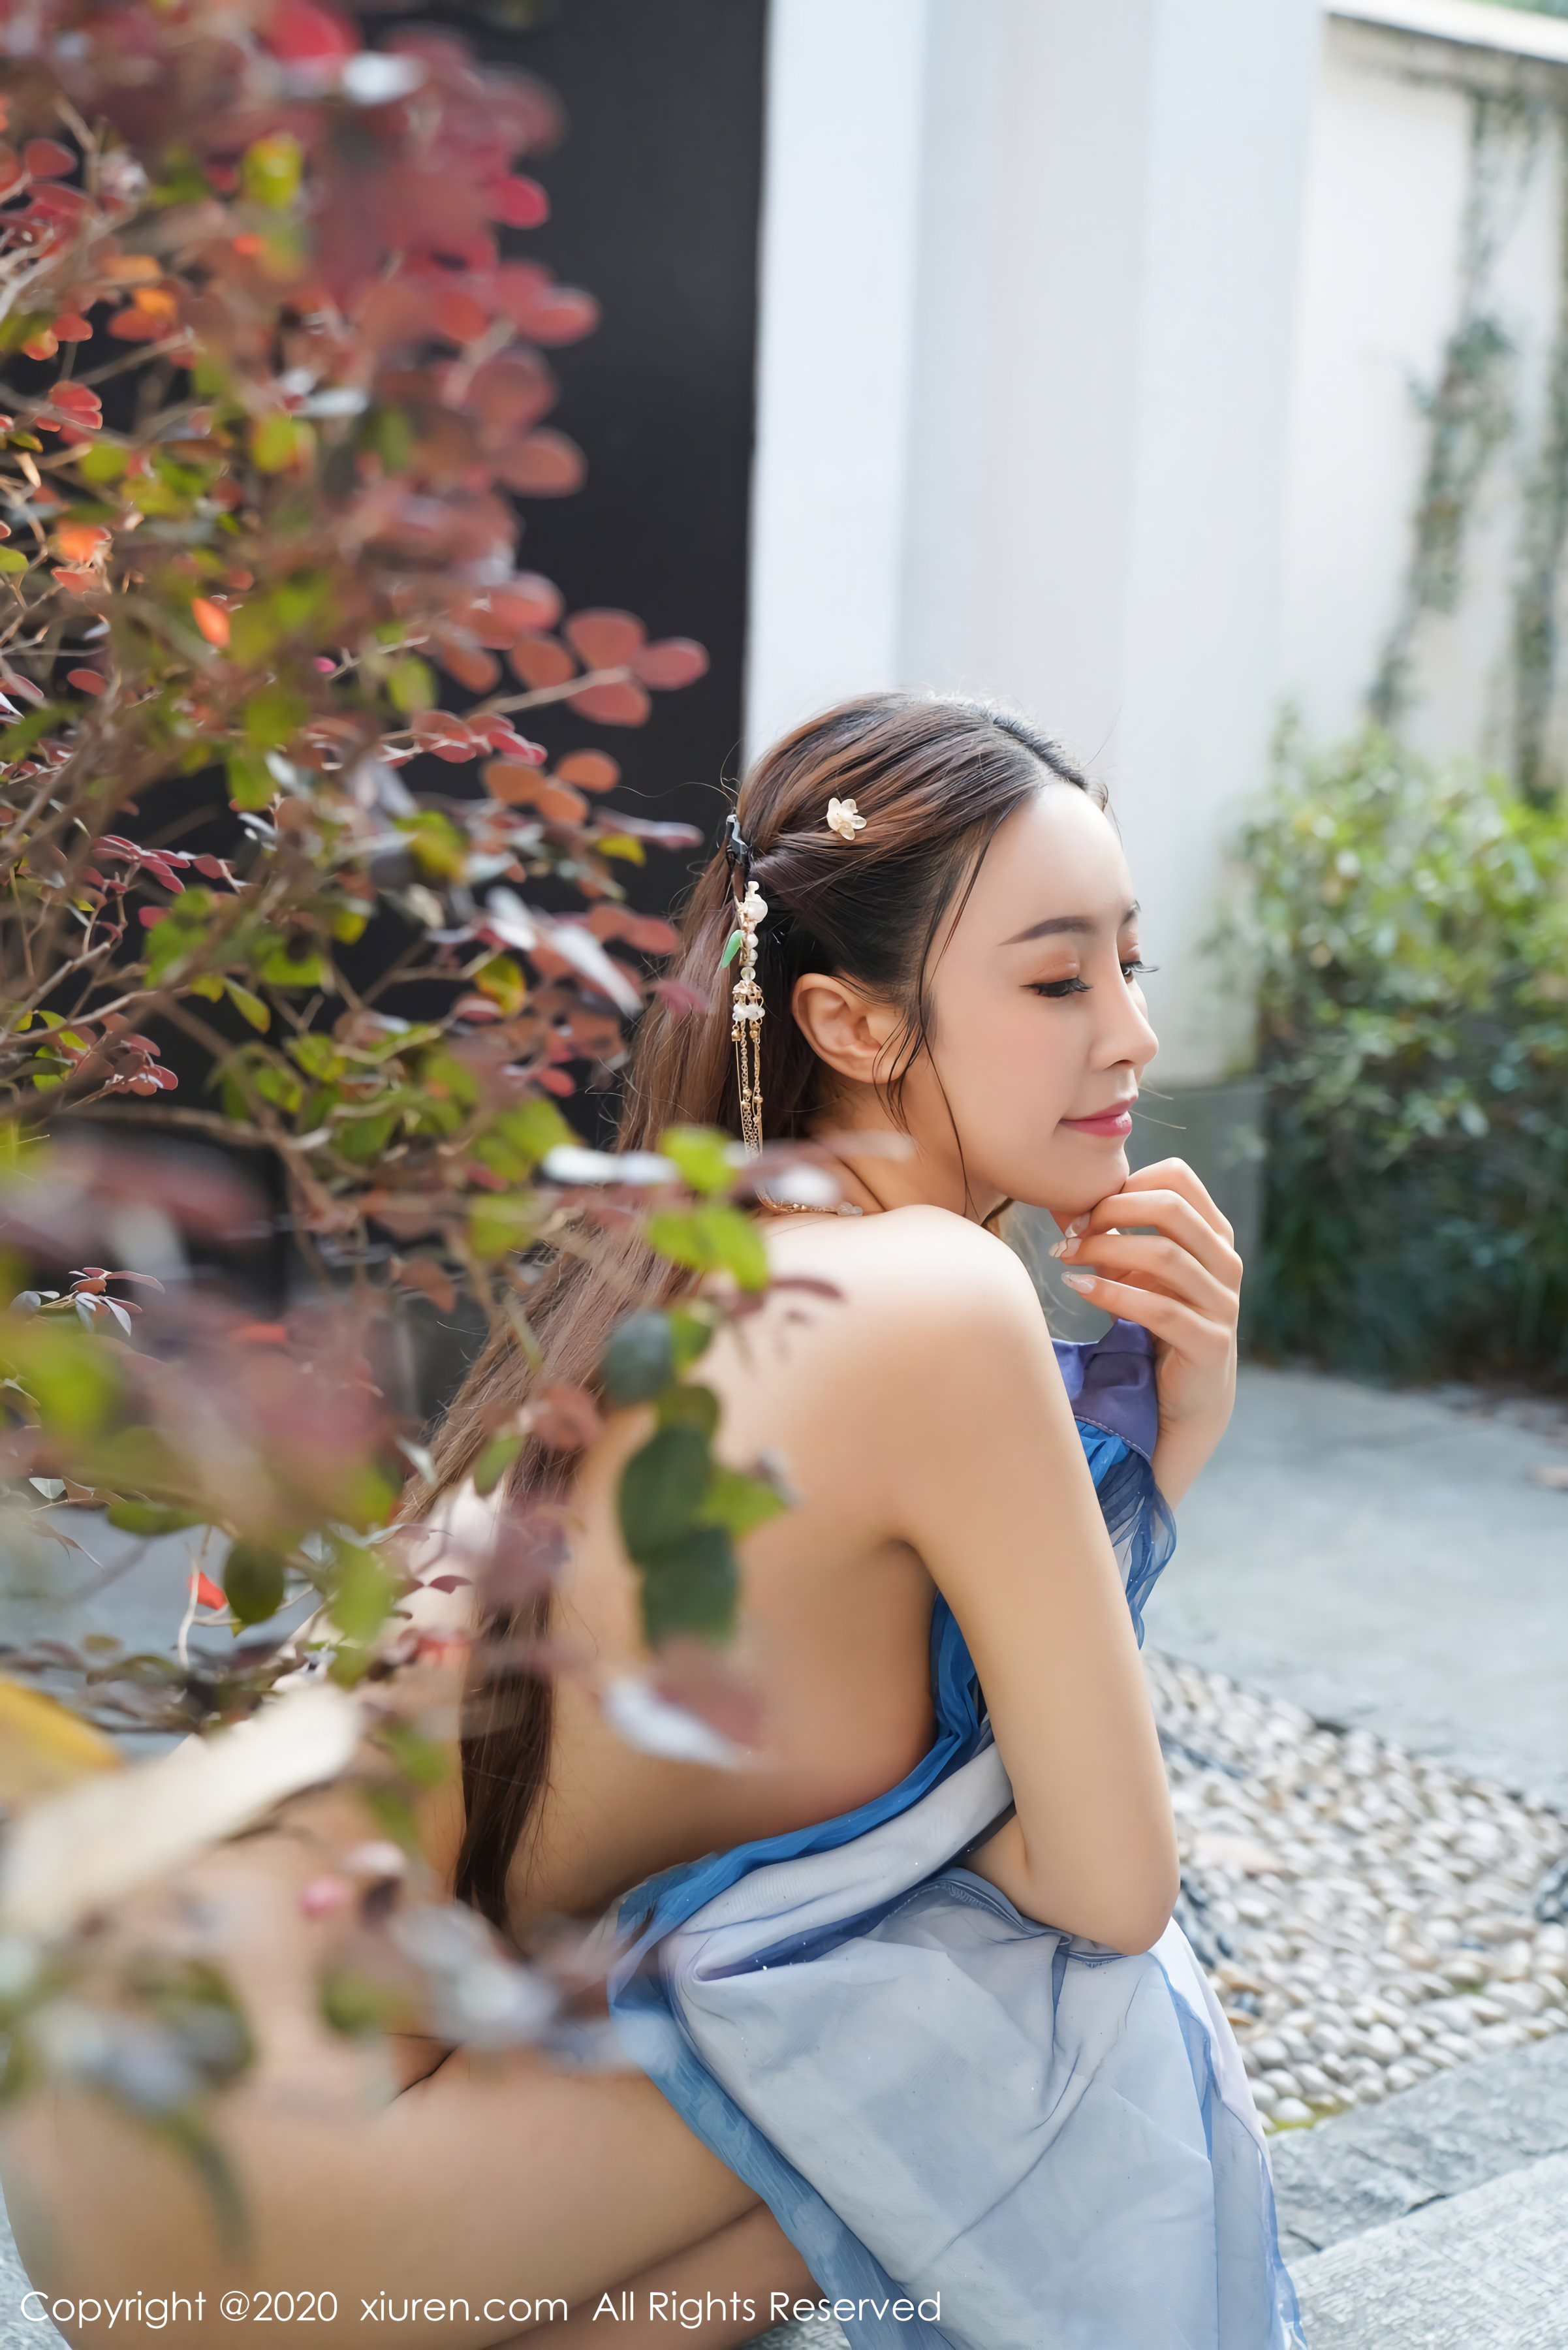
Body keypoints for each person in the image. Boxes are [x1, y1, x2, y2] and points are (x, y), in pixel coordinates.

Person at [0, 693, 1302, 2350]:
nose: (1132, 1036)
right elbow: (1105, 1889)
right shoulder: (941, 1296)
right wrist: (1170, 1450)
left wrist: (1160, 1451)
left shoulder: (681, 1272)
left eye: (1131, 962)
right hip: (272, 2180)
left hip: (117, 2123)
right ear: (848, 1022)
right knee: (1007, 2014)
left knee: (870, 2010)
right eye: (1059, 981)